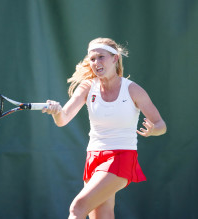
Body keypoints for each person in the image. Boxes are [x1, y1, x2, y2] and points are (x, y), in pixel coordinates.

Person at [42, 37, 167, 219]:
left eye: (101, 57)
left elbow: (160, 124)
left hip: (122, 157)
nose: (96, 63)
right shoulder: (87, 87)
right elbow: (63, 118)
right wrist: (56, 111)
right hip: (93, 157)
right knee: (102, 216)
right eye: (92, 59)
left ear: (115, 59)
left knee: (77, 208)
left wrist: (153, 130)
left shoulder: (133, 90)